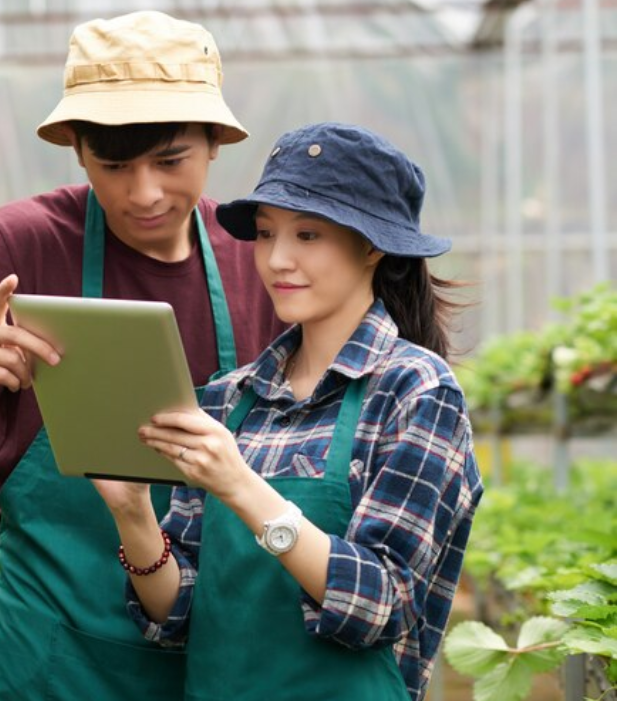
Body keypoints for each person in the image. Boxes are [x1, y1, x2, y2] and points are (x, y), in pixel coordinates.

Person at [0, 11, 288, 700]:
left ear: (216, 143)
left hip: (214, 656)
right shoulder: (25, 242)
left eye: (170, 161)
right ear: (76, 151)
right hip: (46, 659)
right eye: (115, 165)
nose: (144, 193)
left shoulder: (259, 257)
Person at [92, 122, 484, 701]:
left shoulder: (416, 392)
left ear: (372, 245)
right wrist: (133, 516)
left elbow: (380, 603)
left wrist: (239, 484)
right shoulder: (229, 399)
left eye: (307, 235)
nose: (277, 259)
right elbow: (174, 619)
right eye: (266, 234)